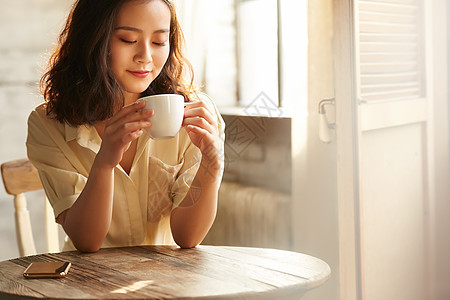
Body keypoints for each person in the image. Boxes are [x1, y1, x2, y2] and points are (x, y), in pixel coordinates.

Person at [26, 0, 225, 252]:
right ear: (93, 39)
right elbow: (87, 242)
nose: (145, 56)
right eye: (128, 40)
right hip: (88, 282)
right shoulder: (48, 123)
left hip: (166, 281)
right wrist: (104, 163)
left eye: (159, 42)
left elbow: (187, 237)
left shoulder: (196, 116)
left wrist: (212, 166)